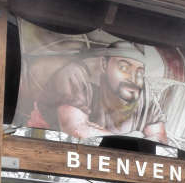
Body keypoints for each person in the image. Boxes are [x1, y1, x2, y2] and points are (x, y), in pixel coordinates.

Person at [38, 41, 167, 142]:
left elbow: (159, 139)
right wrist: (133, 140)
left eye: (139, 72)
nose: (133, 79)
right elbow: (76, 131)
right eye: (124, 67)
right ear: (104, 64)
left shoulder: (144, 92)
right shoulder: (75, 75)